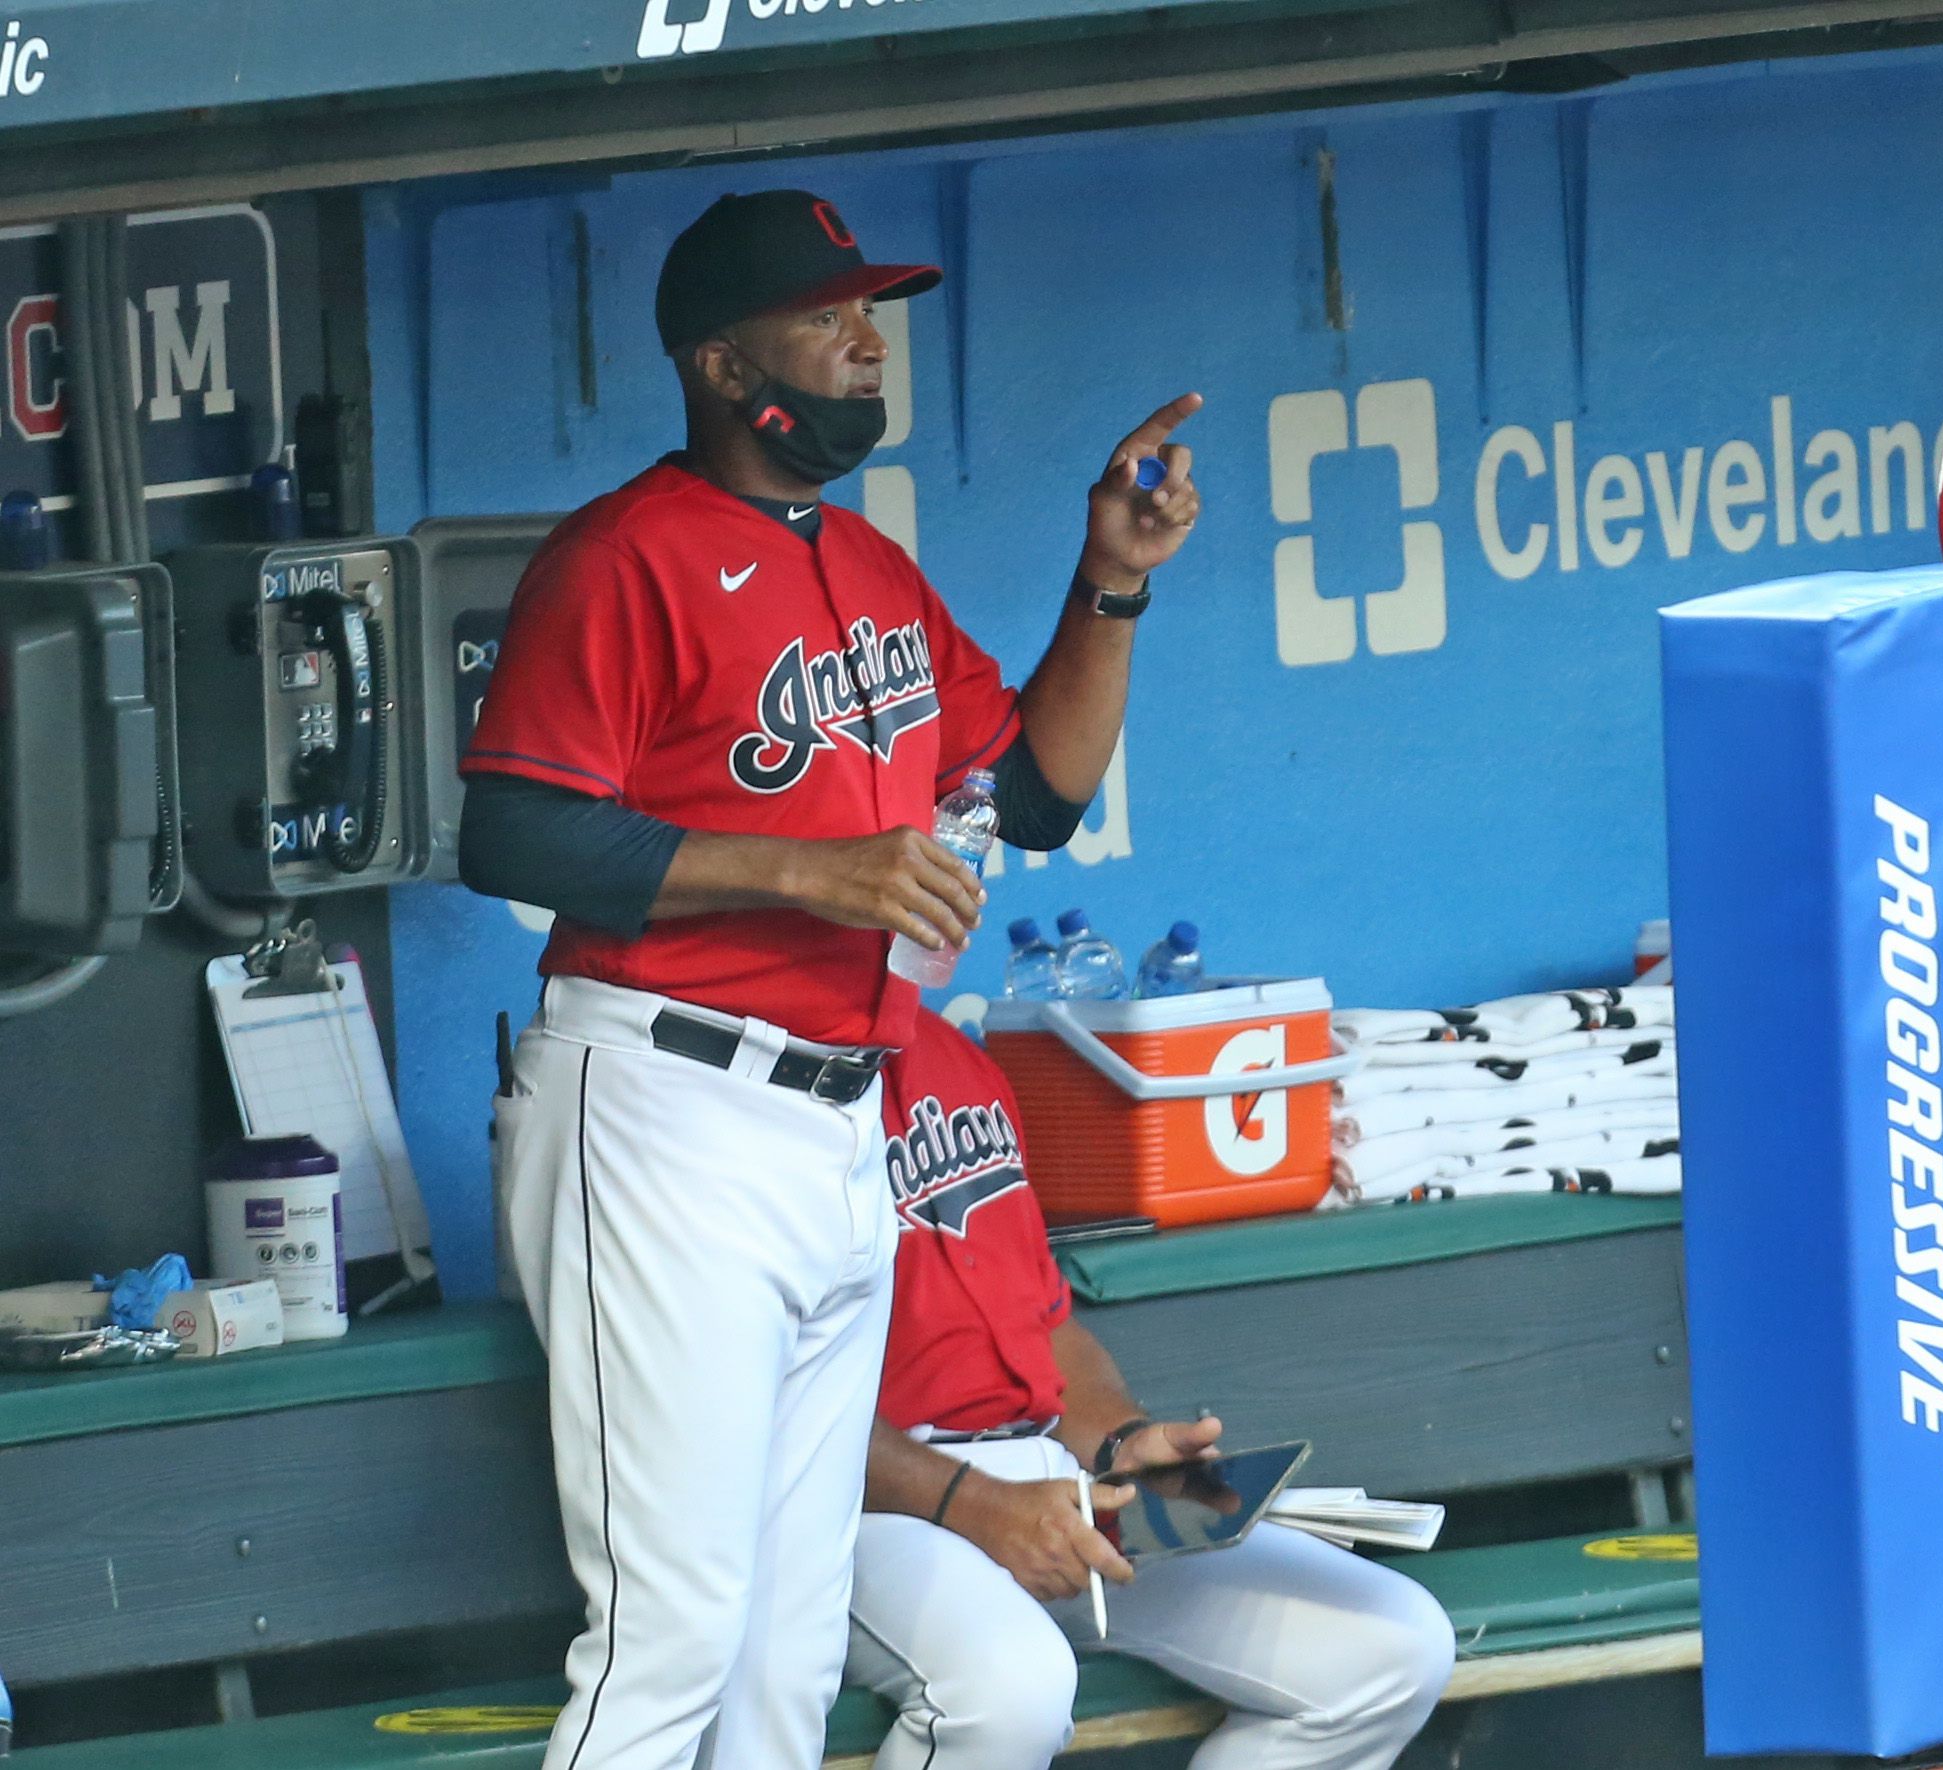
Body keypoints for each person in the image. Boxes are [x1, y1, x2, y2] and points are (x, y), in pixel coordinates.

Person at [461, 188, 1202, 1770]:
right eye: (829, 313)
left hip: (836, 1122)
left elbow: (1036, 795)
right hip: (664, 1102)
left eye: (873, 311)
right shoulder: (619, 559)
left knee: (784, 1655)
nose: (867, 339)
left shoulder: (865, 567)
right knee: (669, 1635)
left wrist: (1111, 579)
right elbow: (510, 825)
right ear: (726, 364)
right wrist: (809, 868)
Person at [848, 1027, 1456, 1769]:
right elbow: (777, 1402)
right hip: (869, 1507)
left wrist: (1120, 1441)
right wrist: (978, 1508)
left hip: (1050, 1488)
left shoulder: (957, 1059)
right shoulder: (756, 1083)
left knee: (1392, 1647)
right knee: (1011, 1693)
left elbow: (1047, 1325)